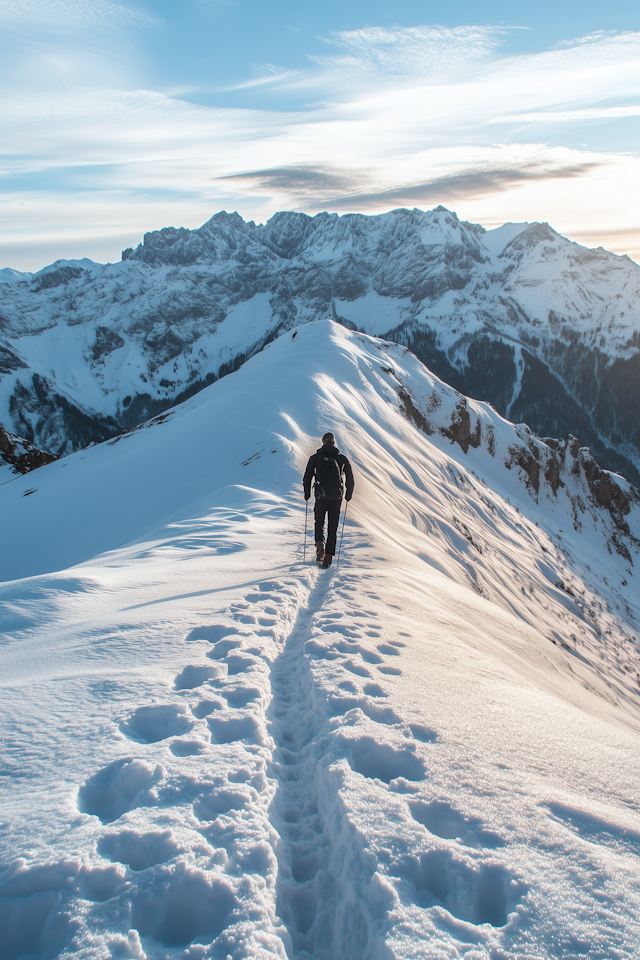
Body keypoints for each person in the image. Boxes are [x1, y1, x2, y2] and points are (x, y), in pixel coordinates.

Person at [303, 432, 354, 568]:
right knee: (333, 527)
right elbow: (350, 479)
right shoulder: (342, 459)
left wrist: (307, 493)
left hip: (321, 497)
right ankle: (329, 557)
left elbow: (307, 476)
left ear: (323, 442)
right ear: (334, 443)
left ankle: (320, 545)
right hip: (336, 499)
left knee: (319, 522)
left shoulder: (315, 458)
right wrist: (348, 495)